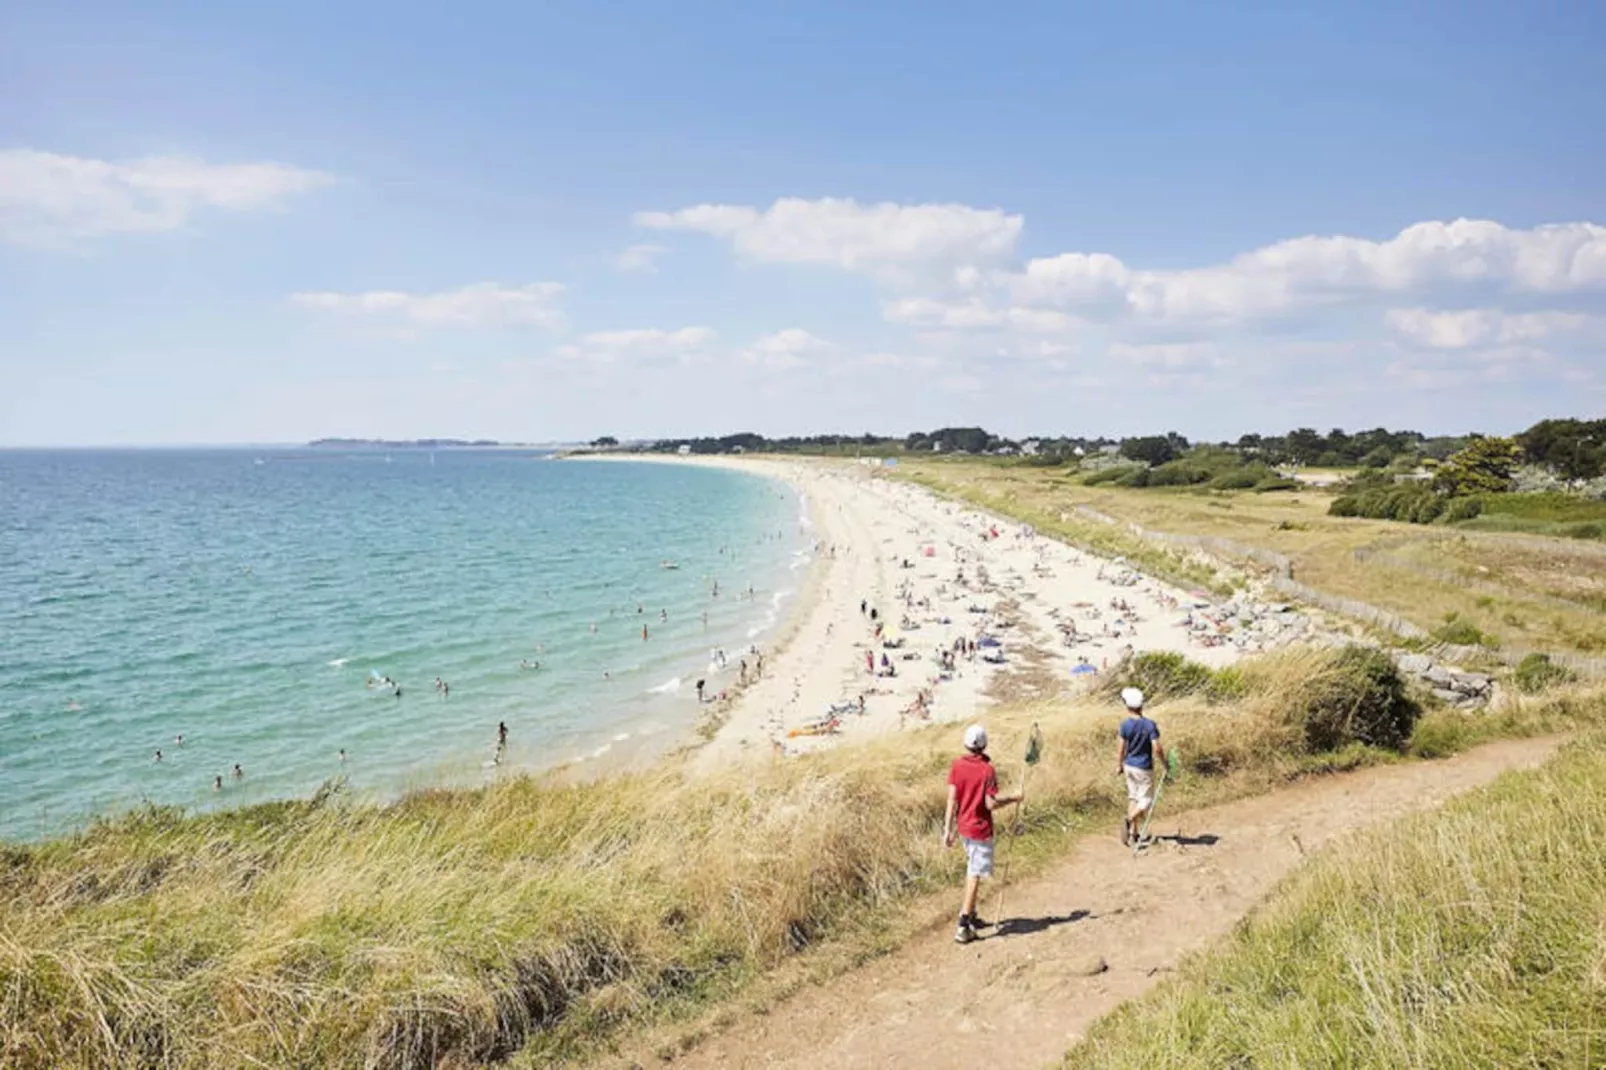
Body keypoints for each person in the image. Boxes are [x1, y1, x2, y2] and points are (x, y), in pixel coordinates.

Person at [943, 724, 1023, 944]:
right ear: (984, 745)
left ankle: (972, 914)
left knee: (972, 866)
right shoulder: (987, 770)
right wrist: (1013, 798)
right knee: (974, 874)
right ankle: (963, 924)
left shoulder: (957, 765)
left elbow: (952, 799)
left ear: (966, 744)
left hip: (963, 827)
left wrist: (947, 829)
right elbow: (990, 804)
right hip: (979, 828)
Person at [1117, 688, 1166, 847]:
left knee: (1134, 797)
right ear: (1142, 706)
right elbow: (1157, 748)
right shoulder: (1149, 725)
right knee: (1146, 800)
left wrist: (1119, 765)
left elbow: (1121, 748)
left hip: (1129, 765)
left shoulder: (1125, 725)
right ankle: (1129, 819)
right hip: (1144, 767)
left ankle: (1133, 833)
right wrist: (1165, 763)